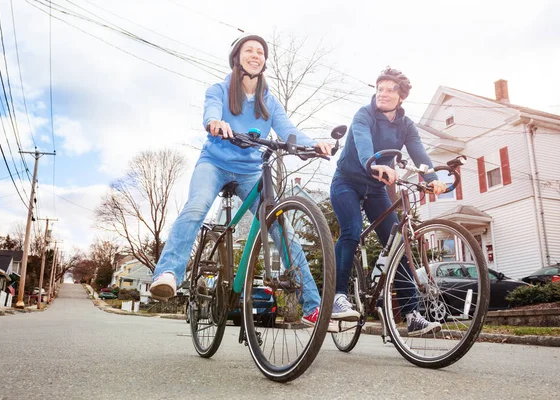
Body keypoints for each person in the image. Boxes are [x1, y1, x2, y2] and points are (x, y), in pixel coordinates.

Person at [150, 33, 337, 331]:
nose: (255, 55)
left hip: (250, 170)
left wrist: (314, 144)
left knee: (281, 229)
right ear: (237, 57)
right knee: (196, 206)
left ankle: (314, 307)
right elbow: (210, 112)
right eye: (249, 50)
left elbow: (288, 129)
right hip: (215, 163)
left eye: (260, 52)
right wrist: (215, 123)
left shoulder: (269, 101)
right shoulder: (219, 90)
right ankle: (168, 274)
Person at [329, 66, 447, 336]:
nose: (382, 94)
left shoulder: (406, 125)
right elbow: (362, 142)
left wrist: (431, 178)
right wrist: (372, 164)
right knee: (351, 230)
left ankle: (412, 314)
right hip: (347, 181)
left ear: (401, 96)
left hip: (377, 187)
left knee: (397, 244)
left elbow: (419, 153)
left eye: (389, 90)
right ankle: (337, 297)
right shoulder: (364, 114)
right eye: (379, 89)